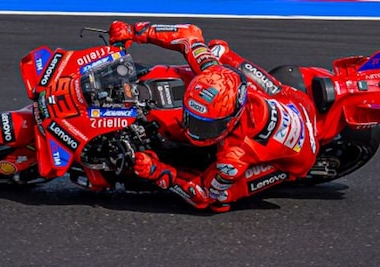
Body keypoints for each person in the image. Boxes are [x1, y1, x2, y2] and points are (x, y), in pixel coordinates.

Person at [109, 21, 320, 212]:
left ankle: (286, 173)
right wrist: (137, 31)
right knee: (218, 49)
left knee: (223, 198)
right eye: (191, 119)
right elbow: (189, 34)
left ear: (230, 121)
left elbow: (205, 196)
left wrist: (157, 172)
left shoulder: (233, 156)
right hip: (289, 98)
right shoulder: (213, 70)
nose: (192, 130)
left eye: (204, 126)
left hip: (299, 156)